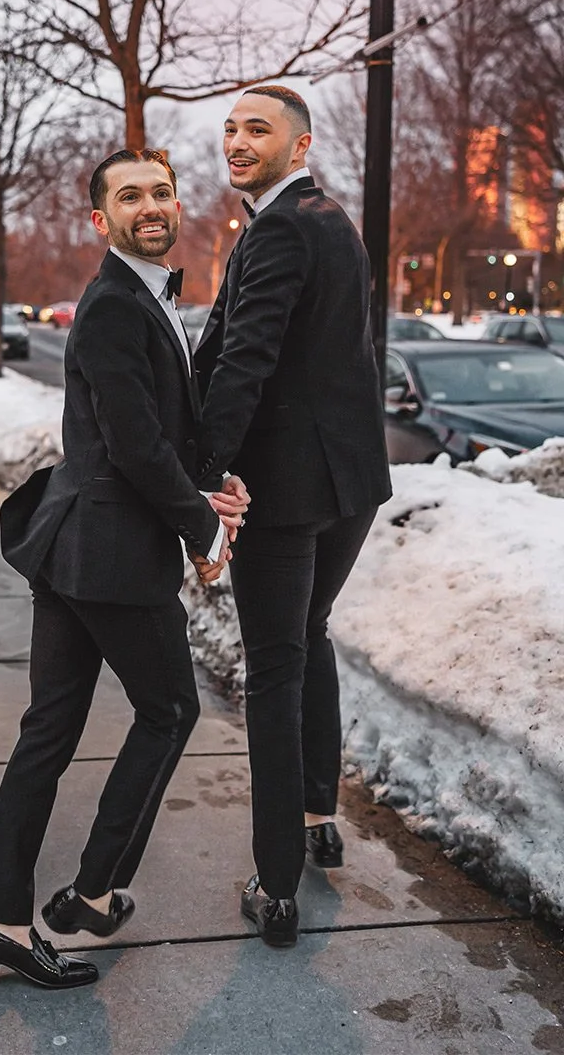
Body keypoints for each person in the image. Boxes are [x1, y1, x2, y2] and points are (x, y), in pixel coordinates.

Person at [0, 148, 247, 989]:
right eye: (130, 197)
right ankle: (90, 895)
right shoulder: (117, 304)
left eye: (161, 192)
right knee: (168, 712)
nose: (151, 206)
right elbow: (133, 445)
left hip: (77, 546)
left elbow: (156, 429)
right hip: (113, 555)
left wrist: (209, 484)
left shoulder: (139, 297)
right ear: (101, 219)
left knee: (48, 732)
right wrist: (200, 526)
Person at [194, 85, 392, 948]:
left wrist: (201, 479)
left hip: (285, 490)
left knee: (273, 667)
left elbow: (246, 361)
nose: (237, 142)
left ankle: (276, 885)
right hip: (350, 484)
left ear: (298, 146)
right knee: (310, 637)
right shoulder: (334, 222)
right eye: (232, 128)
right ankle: (317, 815)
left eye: (257, 130)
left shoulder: (277, 228)